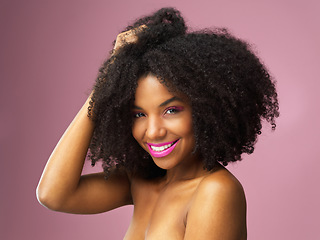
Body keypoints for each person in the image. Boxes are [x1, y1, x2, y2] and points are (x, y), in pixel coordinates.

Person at [36, 7, 279, 239]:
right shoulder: (141, 180)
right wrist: (106, 85)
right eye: (138, 114)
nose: (152, 131)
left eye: (171, 110)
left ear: (207, 110)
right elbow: (54, 195)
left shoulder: (215, 191)